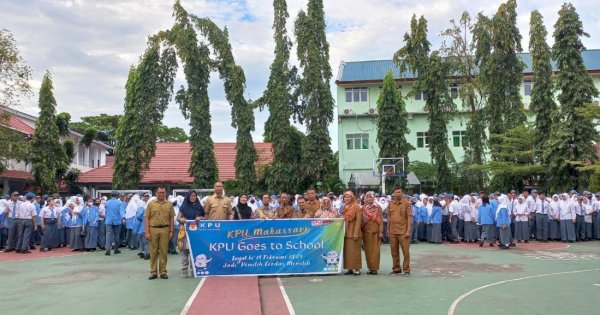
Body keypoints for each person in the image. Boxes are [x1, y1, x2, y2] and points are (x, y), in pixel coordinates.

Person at [145, 186, 175, 280]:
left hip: (165, 229)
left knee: (164, 251)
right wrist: (147, 232)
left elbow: (171, 218)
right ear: (156, 193)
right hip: (153, 229)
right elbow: (147, 218)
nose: (162, 194)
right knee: (153, 252)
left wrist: (171, 231)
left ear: (166, 193)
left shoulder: (169, 204)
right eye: (160, 192)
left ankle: (163, 271)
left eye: (163, 192)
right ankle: (153, 272)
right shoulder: (150, 204)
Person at [177, 191, 204, 277]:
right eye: (191, 196)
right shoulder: (183, 207)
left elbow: (205, 217)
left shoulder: (199, 207)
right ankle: (184, 271)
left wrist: (200, 218)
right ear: (188, 197)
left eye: (195, 196)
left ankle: (194, 271)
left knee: (195, 251)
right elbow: (178, 217)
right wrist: (181, 220)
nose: (193, 197)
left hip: (196, 233)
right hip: (184, 232)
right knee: (184, 251)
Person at [387, 187, 412, 276]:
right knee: (394, 251)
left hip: (403, 231)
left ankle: (406, 269)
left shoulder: (406, 204)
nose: (397, 194)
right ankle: (396, 268)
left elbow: (409, 218)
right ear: (393, 193)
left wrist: (408, 231)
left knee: (405, 251)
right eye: (396, 192)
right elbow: (389, 217)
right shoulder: (390, 204)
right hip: (393, 231)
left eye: (399, 192)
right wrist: (388, 229)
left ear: (402, 193)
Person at [361, 192, 383, 275]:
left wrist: (381, 231)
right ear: (365, 198)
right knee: (368, 251)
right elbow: (361, 221)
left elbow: (380, 221)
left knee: (375, 251)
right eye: (367, 197)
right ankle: (370, 268)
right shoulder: (362, 208)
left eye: (370, 197)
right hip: (366, 232)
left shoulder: (378, 208)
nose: (369, 198)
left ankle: (375, 268)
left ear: (373, 198)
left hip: (376, 232)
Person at [342, 191, 362, 276]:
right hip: (346, 232)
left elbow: (358, 221)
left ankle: (357, 269)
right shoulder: (345, 207)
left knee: (355, 251)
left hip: (354, 232)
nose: (347, 199)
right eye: (345, 197)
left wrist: (356, 233)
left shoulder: (357, 207)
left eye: (349, 197)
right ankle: (349, 268)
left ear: (352, 198)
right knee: (348, 252)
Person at [104, 191, 125, 256]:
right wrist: (123, 218)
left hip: (108, 220)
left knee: (108, 235)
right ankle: (116, 249)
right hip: (117, 220)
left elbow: (106, 211)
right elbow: (121, 211)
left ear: (111, 195)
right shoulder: (120, 202)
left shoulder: (106, 202)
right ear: (117, 195)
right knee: (117, 235)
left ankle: (108, 249)